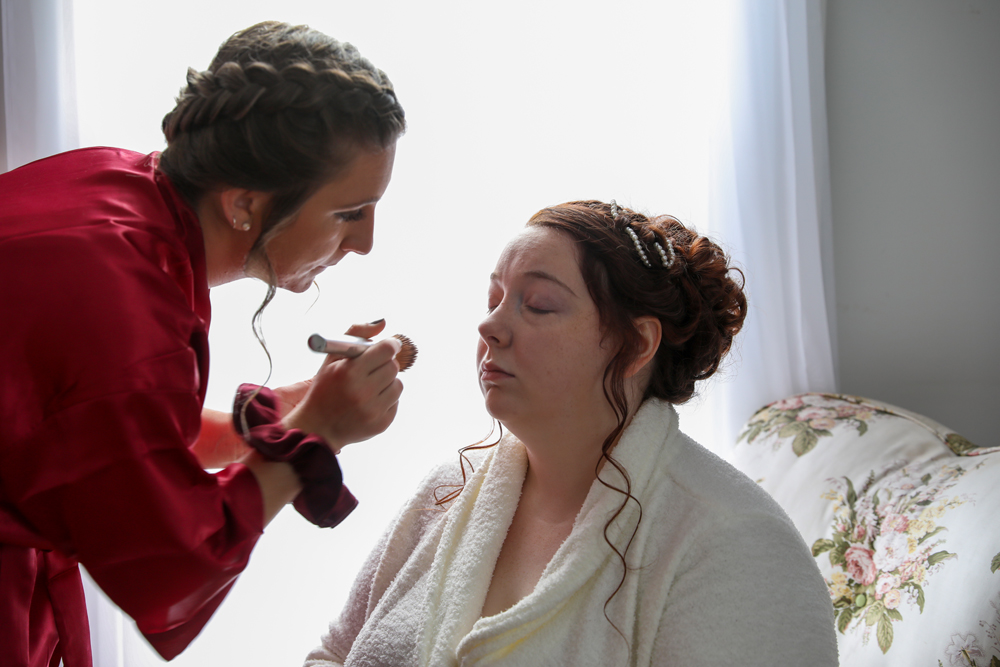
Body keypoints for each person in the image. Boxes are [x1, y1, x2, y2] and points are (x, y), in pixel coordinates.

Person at [0, 21, 406, 667]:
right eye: (348, 213)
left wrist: (278, 420)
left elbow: (100, 437)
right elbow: (172, 567)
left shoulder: (112, 180)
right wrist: (317, 432)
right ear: (243, 203)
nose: (366, 243)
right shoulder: (126, 309)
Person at [304, 201, 840, 666]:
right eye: (493, 300)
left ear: (636, 345)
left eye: (538, 304)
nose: (489, 326)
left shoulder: (736, 547)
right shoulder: (447, 491)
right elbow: (333, 655)